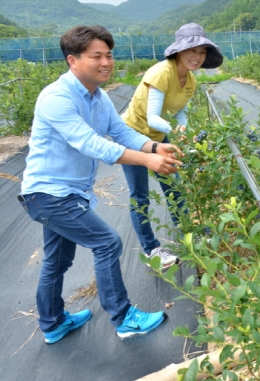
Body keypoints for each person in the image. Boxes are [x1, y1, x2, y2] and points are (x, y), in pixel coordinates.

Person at [18, 25, 180, 344]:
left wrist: (152, 147)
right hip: (48, 194)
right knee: (107, 242)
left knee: (58, 260)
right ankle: (123, 318)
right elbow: (91, 144)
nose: (106, 62)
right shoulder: (56, 98)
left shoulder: (99, 96)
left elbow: (120, 132)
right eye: (97, 56)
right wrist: (145, 161)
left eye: (109, 55)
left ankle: (52, 323)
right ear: (73, 60)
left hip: (67, 193)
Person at [121, 23, 223, 268]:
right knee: (140, 197)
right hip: (133, 135)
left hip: (157, 136)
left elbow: (181, 113)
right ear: (178, 51)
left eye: (202, 52)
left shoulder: (190, 81)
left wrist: (184, 127)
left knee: (174, 187)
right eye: (192, 50)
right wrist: (173, 132)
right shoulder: (161, 73)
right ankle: (151, 250)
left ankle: (189, 232)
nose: (197, 57)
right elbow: (153, 116)